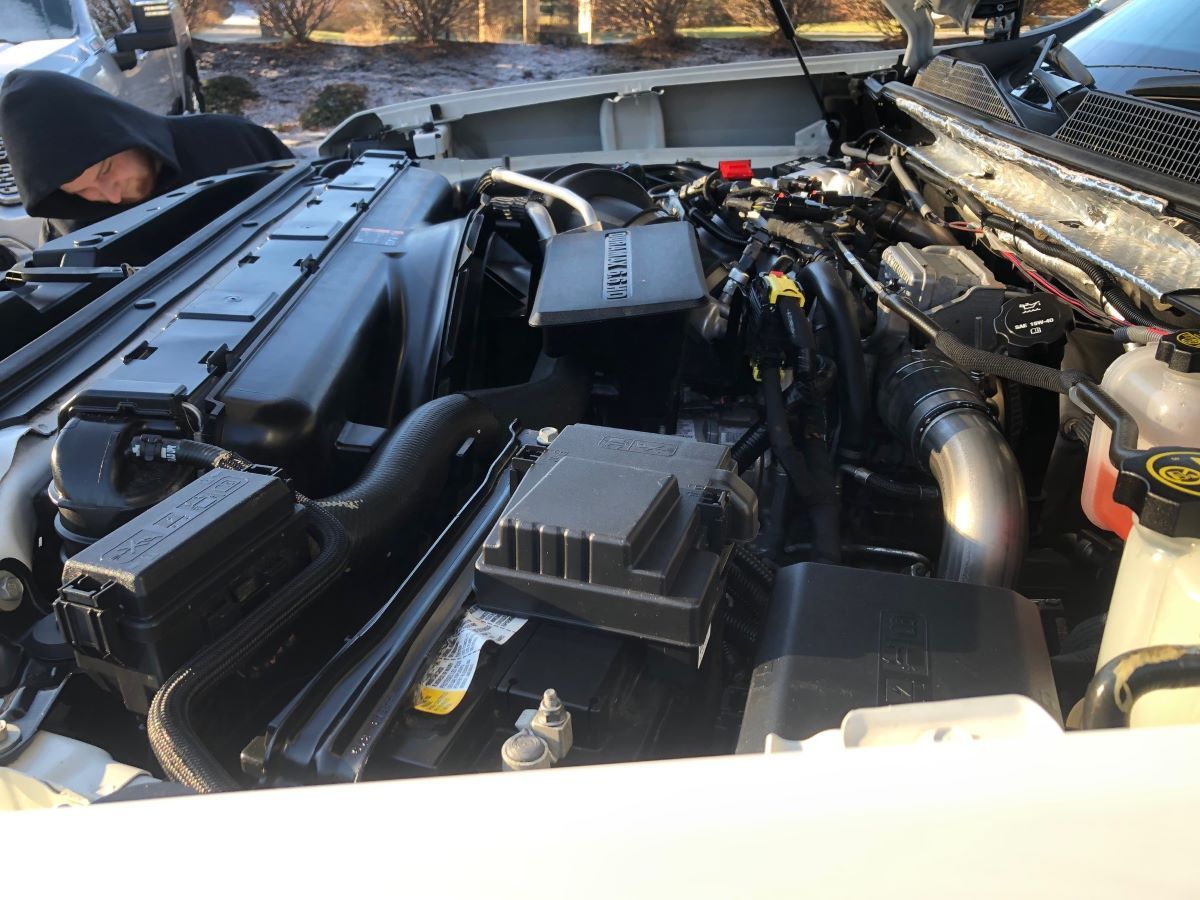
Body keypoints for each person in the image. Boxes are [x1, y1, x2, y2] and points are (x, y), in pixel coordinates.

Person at [0, 70, 294, 238]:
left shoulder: (232, 141)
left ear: (123, 131)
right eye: (82, 191)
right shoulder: (66, 229)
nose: (112, 196)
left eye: (105, 170)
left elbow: (310, 201)